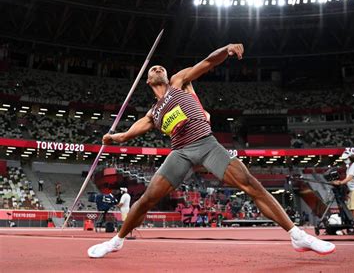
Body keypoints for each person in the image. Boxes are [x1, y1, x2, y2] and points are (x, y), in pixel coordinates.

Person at [87, 43, 335, 258]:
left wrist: (225, 50)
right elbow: (132, 131)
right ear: (149, 81)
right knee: (146, 200)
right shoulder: (154, 112)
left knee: (250, 184)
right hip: (180, 153)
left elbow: (207, 62)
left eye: (160, 67)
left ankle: (296, 235)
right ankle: (115, 241)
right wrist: (114, 137)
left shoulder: (179, 82)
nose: (157, 69)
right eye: (153, 70)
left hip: (206, 144)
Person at [332, 151, 354, 234]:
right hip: (352, 190)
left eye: (346, 159)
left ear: (350, 158)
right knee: (352, 210)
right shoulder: (350, 167)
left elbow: (350, 177)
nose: (345, 160)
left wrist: (340, 182)